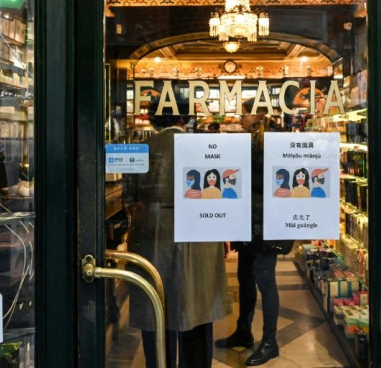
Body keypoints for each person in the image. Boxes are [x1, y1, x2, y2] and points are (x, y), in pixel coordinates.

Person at [124, 99, 230, 368]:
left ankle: (160, 362)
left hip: (153, 234)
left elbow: (130, 198)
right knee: (197, 306)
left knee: (156, 306)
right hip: (199, 232)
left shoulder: (143, 149)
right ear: (186, 119)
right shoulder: (204, 149)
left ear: (153, 118)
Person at [215, 103, 293, 366]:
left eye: (244, 112)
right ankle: (244, 331)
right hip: (249, 221)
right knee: (245, 277)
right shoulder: (252, 141)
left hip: (266, 223)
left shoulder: (270, 142)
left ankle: (270, 342)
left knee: (265, 280)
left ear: (257, 115)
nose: (239, 117)